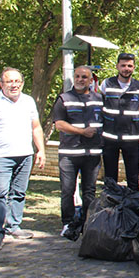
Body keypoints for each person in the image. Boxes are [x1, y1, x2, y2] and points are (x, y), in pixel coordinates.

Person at [0, 68, 46, 252]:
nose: (14, 85)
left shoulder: (28, 101)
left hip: (24, 155)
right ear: (1, 84)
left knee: (19, 193)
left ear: (22, 83)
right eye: (9, 81)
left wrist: (41, 150)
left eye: (17, 81)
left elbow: (36, 128)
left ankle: (14, 226)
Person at [51, 65, 103, 241]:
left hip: (92, 153)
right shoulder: (64, 98)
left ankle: (87, 222)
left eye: (84, 77)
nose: (80, 80)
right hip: (69, 153)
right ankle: (67, 223)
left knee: (89, 191)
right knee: (68, 190)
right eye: (78, 76)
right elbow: (59, 124)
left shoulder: (99, 98)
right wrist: (81, 132)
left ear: (91, 80)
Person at [100, 52, 139, 191]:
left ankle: (133, 207)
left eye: (130, 66)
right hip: (110, 137)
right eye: (123, 65)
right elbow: (99, 104)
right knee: (110, 177)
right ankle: (110, 207)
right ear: (117, 66)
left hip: (131, 138)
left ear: (133, 68)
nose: (126, 68)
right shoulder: (107, 83)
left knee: (133, 177)